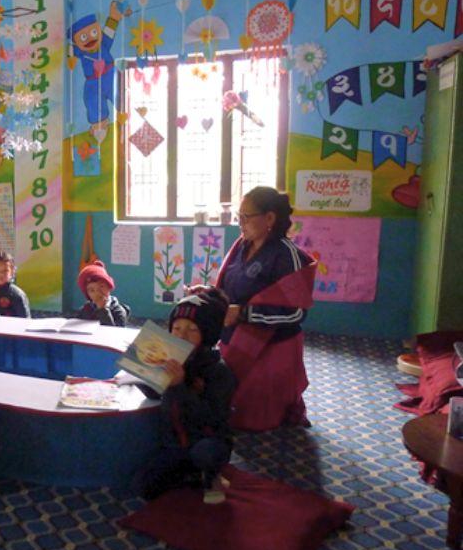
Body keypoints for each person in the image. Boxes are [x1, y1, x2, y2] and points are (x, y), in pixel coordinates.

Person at [208, 186, 316, 431]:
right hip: (235, 340)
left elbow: (297, 312)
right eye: (239, 216)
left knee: (256, 419)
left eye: (246, 217)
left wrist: (244, 314)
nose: (240, 223)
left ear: (269, 218)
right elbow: (229, 290)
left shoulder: (287, 255)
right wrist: (211, 294)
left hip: (271, 348)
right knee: (226, 405)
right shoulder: (241, 247)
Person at [133, 289, 236, 504]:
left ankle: (211, 474)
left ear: (207, 334)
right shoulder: (172, 359)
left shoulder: (219, 371)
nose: (181, 335)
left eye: (192, 330)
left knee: (205, 454)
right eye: (176, 328)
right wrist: (142, 370)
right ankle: (191, 475)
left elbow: (212, 418)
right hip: (176, 443)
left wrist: (180, 387)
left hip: (207, 440)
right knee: (144, 487)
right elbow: (154, 392)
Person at [74, 260, 130, 327]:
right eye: (92, 290)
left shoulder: (119, 311)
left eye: (101, 286)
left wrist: (103, 310)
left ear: (109, 287)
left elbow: (113, 333)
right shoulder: (86, 309)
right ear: (88, 295)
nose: (97, 292)